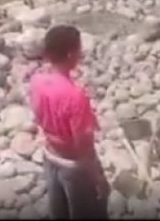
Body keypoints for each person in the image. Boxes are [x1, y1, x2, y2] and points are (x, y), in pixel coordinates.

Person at [28, 25, 109, 219]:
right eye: (79, 49)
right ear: (71, 54)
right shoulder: (75, 97)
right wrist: (97, 176)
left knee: (59, 212)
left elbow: (38, 116)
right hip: (74, 167)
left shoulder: (36, 82)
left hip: (50, 156)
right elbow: (82, 144)